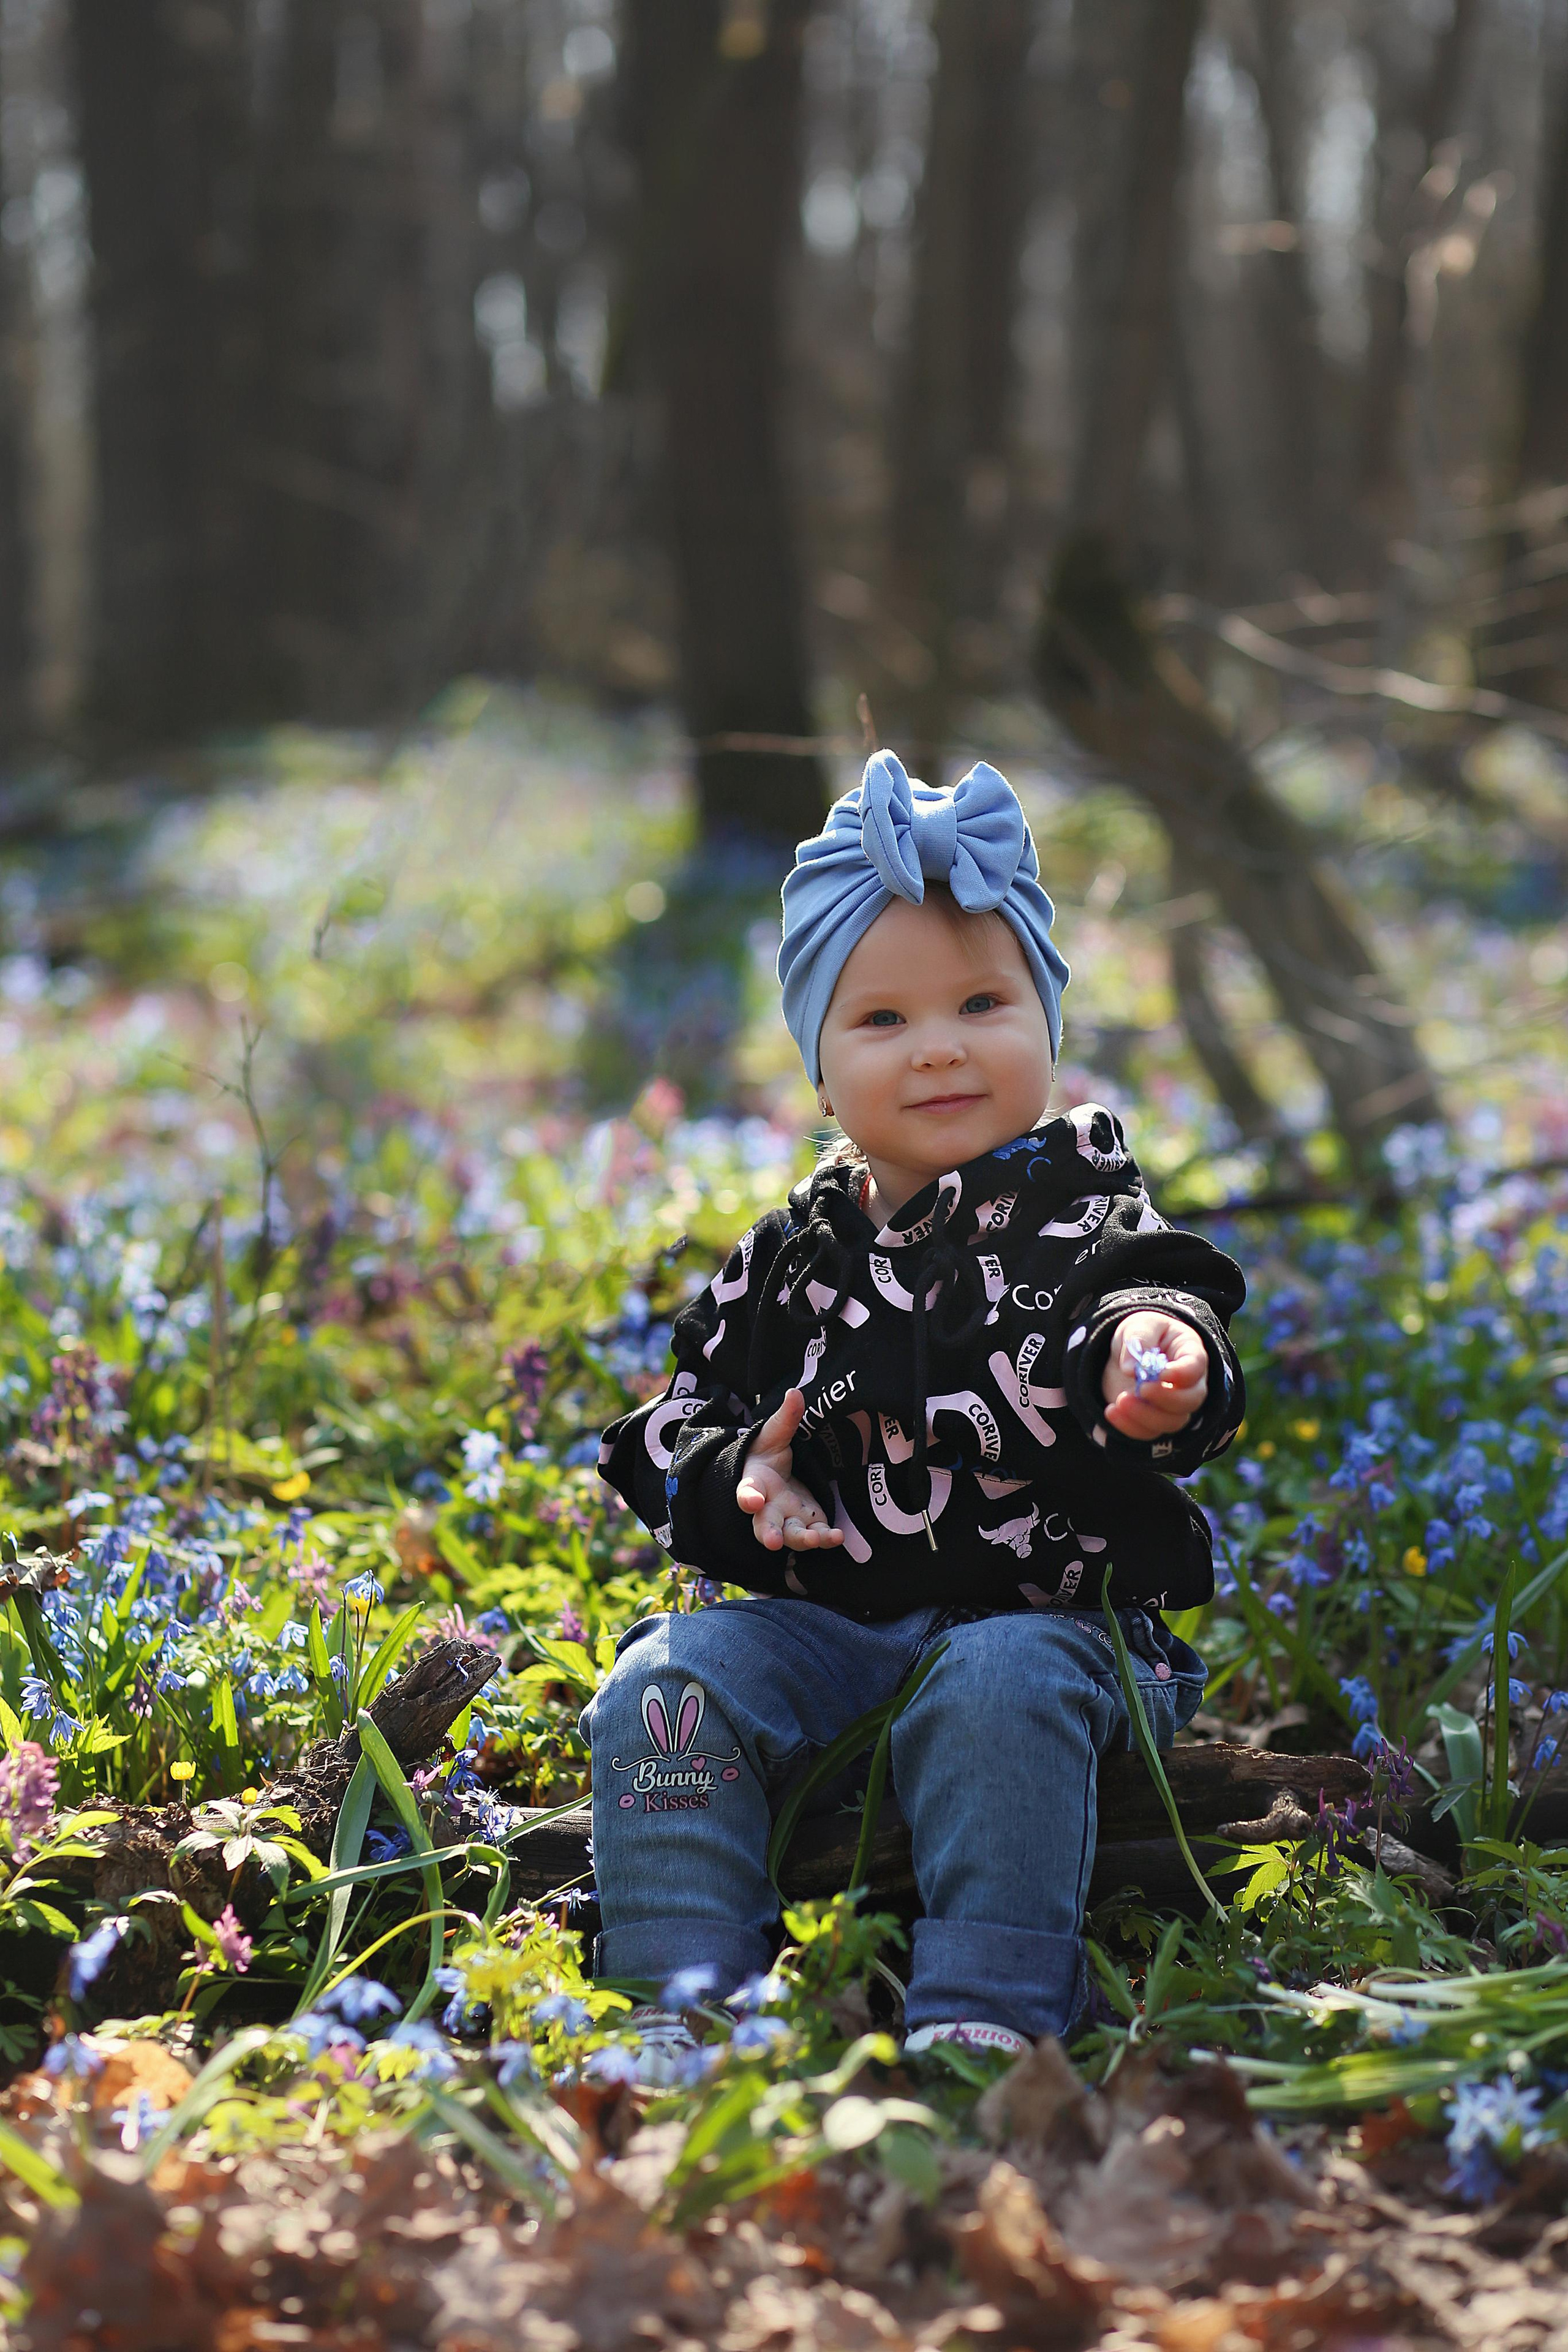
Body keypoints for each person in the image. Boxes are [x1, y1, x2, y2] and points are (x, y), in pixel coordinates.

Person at [584, 749, 1245, 2060]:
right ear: (818, 1072)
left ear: (1045, 1025)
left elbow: (1158, 1303)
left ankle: (985, 2011)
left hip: (1056, 1628)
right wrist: (737, 1486)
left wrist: (1157, 1362)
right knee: (661, 1689)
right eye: (880, 1021)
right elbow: (678, 1426)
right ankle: (686, 1999)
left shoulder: (1086, 1217)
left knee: (993, 1683)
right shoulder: (789, 1256)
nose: (939, 1046)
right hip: (834, 1629)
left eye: (983, 1002)